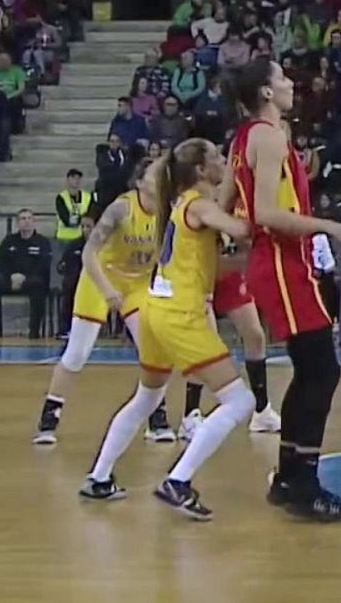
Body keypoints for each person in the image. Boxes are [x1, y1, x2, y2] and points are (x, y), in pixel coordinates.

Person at [80, 139, 256, 520]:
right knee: (240, 402)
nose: (225, 162)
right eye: (217, 158)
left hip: (156, 309)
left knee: (147, 397)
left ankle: (99, 477)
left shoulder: (179, 204)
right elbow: (242, 229)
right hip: (179, 313)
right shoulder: (199, 204)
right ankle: (178, 480)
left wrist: (244, 261)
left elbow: (211, 262)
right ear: (200, 170)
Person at [226, 56, 341, 522]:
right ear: (266, 93)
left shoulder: (244, 139)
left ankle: (289, 476)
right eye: (282, 78)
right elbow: (265, 214)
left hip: (277, 264)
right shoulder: (267, 138)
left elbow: (231, 210)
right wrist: (330, 226)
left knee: (311, 371)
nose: (290, 84)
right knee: (322, 370)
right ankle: (303, 483)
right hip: (285, 264)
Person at [33, 160, 173, 444]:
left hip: (136, 283)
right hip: (99, 277)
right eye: (154, 175)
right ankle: (50, 415)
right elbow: (89, 253)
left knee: (154, 352)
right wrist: (108, 289)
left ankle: (156, 416)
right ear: (140, 182)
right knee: (77, 353)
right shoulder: (121, 209)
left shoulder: (168, 212)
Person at [182, 265, 281, 437]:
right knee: (206, 342)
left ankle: (262, 410)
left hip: (226, 267)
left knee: (255, 335)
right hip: (198, 268)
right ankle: (190, 414)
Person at [0, 209, 54, 339]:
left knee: (39, 285)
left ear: (34, 222)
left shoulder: (43, 242)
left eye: (29, 218)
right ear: (17, 223)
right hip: (10, 279)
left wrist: (24, 277)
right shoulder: (9, 241)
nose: (26, 222)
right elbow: (0, 263)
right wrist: (11, 276)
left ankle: (34, 330)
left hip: (32, 280)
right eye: (23, 219)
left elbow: (44, 265)